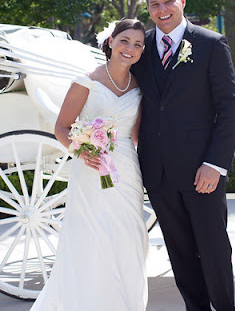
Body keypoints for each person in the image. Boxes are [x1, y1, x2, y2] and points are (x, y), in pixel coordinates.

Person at [132, 0, 235, 311]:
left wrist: (215, 163)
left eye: (168, 2)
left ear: (182, 2)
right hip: (158, 171)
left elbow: (228, 107)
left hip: (202, 170)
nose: (162, 10)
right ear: (148, 10)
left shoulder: (210, 43)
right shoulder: (140, 48)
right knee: (178, 250)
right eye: (154, 5)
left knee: (213, 247)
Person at [31, 19, 148, 311]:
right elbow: (62, 127)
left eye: (137, 44)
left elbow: (137, 134)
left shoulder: (140, 86)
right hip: (92, 168)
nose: (129, 48)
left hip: (126, 171)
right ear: (110, 42)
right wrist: (81, 151)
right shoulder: (87, 81)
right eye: (124, 41)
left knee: (128, 236)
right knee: (92, 238)